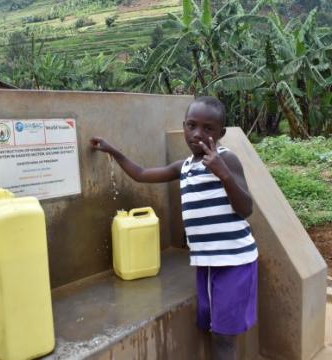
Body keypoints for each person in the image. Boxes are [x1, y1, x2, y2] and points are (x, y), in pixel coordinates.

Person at [90, 96, 258, 360]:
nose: (197, 134)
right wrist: (113, 151)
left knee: (224, 336)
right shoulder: (185, 167)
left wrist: (223, 173)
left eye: (208, 128)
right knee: (212, 327)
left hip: (234, 262)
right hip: (207, 263)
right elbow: (142, 174)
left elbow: (246, 208)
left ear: (221, 133)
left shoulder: (228, 160)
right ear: (184, 127)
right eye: (192, 126)